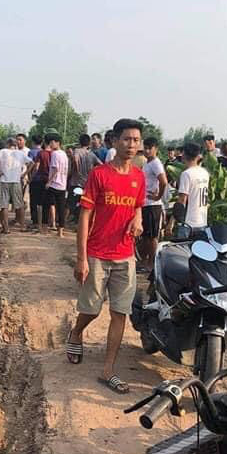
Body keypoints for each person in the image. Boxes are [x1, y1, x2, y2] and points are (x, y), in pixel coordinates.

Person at [66, 119, 146, 394]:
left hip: (126, 256)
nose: (131, 145)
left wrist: (138, 220)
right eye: (126, 139)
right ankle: (76, 333)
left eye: (136, 140)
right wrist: (82, 258)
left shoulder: (139, 176)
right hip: (98, 254)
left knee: (119, 312)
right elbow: (85, 216)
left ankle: (108, 369)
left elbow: (137, 206)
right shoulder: (99, 175)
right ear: (114, 141)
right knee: (91, 308)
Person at [140, 137, 168, 272]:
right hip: (146, 204)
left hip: (153, 204)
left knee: (152, 237)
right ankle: (145, 262)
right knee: (146, 236)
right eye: (145, 147)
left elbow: (163, 181)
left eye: (149, 148)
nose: (146, 150)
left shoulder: (156, 163)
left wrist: (158, 196)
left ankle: (152, 264)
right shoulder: (147, 163)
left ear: (155, 149)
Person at [0, 137, 32, 234]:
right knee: (19, 205)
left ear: (7, 144)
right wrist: (24, 174)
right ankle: (23, 226)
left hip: (4, 180)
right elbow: (31, 162)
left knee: (4, 205)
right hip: (16, 181)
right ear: (15, 145)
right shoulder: (20, 153)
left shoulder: (2, 151)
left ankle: (6, 228)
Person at [177, 142, 210, 229]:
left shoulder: (186, 174)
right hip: (202, 222)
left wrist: (172, 222)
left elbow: (182, 200)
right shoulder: (205, 172)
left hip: (188, 223)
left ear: (184, 154)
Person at [69, 133, 99, 222]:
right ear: (89, 143)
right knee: (84, 204)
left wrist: (77, 170)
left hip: (76, 182)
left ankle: (63, 224)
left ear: (79, 142)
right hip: (87, 183)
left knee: (70, 203)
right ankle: (81, 223)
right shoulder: (91, 154)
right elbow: (101, 164)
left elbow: (75, 159)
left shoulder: (77, 151)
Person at [42, 134, 68, 237]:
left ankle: (44, 228)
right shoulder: (64, 154)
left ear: (57, 142)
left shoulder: (55, 154)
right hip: (62, 184)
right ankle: (60, 232)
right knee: (61, 208)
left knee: (47, 205)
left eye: (52, 142)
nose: (51, 145)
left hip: (54, 184)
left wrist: (49, 181)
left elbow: (55, 169)